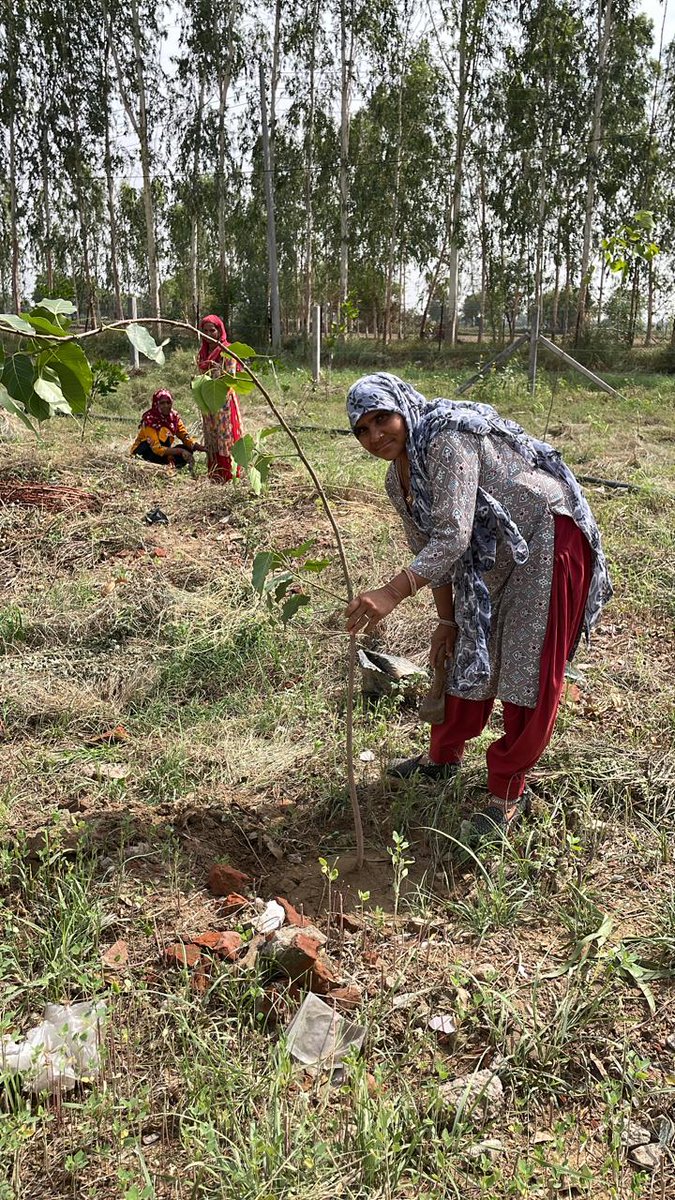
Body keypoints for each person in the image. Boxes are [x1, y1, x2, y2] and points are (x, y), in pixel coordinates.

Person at [344, 372, 612, 840]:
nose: (374, 436)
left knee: (527, 667)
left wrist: (391, 593)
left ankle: (509, 793)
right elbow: (431, 549)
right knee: (467, 649)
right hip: (490, 554)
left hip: (546, 536)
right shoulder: (397, 479)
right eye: (361, 430)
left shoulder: (447, 437)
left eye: (381, 419)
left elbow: (453, 536)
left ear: (403, 409)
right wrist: (446, 619)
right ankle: (442, 758)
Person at [197, 314, 244, 483]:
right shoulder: (202, 353)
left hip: (224, 402)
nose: (209, 334)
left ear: (220, 331)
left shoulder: (227, 351)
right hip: (208, 401)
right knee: (211, 436)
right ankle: (215, 474)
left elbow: (230, 377)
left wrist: (217, 369)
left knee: (225, 436)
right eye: (206, 331)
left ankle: (230, 474)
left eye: (213, 330)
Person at [130, 389, 205, 469]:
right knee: (151, 444)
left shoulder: (174, 418)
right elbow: (156, 448)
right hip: (146, 451)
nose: (166, 406)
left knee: (187, 448)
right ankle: (163, 463)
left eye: (168, 402)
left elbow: (184, 435)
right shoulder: (150, 419)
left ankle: (168, 463)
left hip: (161, 452)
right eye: (162, 403)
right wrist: (180, 451)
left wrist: (197, 446)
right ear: (156, 404)